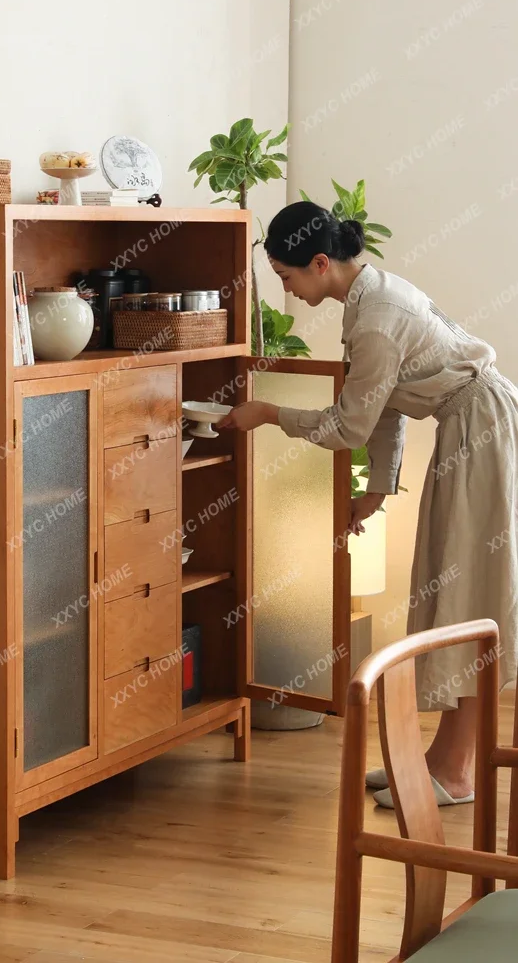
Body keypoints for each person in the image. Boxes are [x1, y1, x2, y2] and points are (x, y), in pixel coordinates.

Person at [217, 201, 518, 808]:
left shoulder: (377, 316)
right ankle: (442, 761)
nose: (287, 291)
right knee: (453, 589)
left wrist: (270, 414)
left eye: (287, 277)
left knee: (468, 595)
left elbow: (349, 424)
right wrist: (376, 491)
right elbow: (382, 406)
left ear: (321, 263)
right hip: (473, 425)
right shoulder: (369, 297)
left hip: (481, 431)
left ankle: (456, 771)